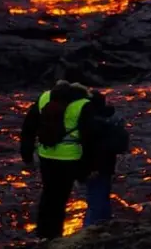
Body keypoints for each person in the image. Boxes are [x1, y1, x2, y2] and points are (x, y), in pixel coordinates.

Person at [19, 79, 98, 240]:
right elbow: (90, 139)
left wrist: (27, 156)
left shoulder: (45, 98)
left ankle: (42, 234)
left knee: (47, 195)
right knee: (60, 199)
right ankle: (56, 236)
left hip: (46, 156)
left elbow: (28, 128)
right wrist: (87, 168)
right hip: (70, 158)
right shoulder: (83, 104)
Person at [84, 91, 124, 227]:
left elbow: (89, 146)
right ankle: (104, 226)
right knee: (103, 195)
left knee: (95, 199)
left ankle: (89, 231)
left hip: (94, 166)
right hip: (108, 164)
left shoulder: (91, 122)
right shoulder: (112, 120)